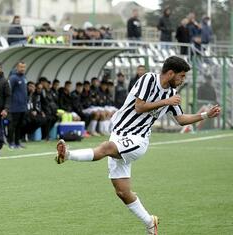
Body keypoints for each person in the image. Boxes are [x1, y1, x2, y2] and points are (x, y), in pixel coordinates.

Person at [54, 56, 221, 234]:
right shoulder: (149, 79)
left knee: (107, 148)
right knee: (122, 192)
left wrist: (204, 115)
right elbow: (139, 107)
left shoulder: (171, 95)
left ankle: (68, 155)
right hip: (119, 133)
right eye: (181, 76)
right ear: (170, 73)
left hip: (138, 139)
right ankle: (150, 222)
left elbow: (180, 119)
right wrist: (165, 102)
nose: (182, 80)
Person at [8, 61, 28, 149]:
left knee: (20, 125)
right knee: (13, 125)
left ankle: (17, 142)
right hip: (14, 107)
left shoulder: (24, 77)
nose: (22, 69)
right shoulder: (13, 78)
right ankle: (11, 142)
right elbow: (8, 92)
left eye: (24, 67)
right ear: (17, 67)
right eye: (21, 67)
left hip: (22, 107)